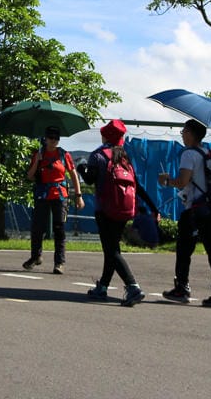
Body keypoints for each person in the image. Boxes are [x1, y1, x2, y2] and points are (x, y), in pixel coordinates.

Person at [82, 119, 159, 306]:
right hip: (125, 211)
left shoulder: (98, 156)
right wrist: (153, 207)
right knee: (112, 249)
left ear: (105, 136)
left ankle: (133, 287)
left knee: (111, 251)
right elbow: (137, 186)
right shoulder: (124, 157)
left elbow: (90, 180)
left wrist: (80, 167)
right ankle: (102, 287)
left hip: (105, 210)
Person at [158, 119, 211, 308]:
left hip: (195, 210)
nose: (182, 134)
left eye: (184, 131)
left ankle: (182, 288)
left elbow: (182, 182)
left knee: (183, 250)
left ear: (190, 133)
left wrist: (166, 181)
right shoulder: (207, 152)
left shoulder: (189, 154)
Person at [23, 126, 84, 274]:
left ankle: (59, 263)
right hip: (42, 194)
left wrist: (78, 195)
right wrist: (37, 161)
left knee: (59, 230)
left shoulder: (64, 155)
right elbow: (30, 176)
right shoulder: (39, 154)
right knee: (37, 228)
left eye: (56, 138)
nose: (54, 141)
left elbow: (73, 174)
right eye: (51, 138)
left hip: (59, 195)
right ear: (45, 139)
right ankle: (35, 256)